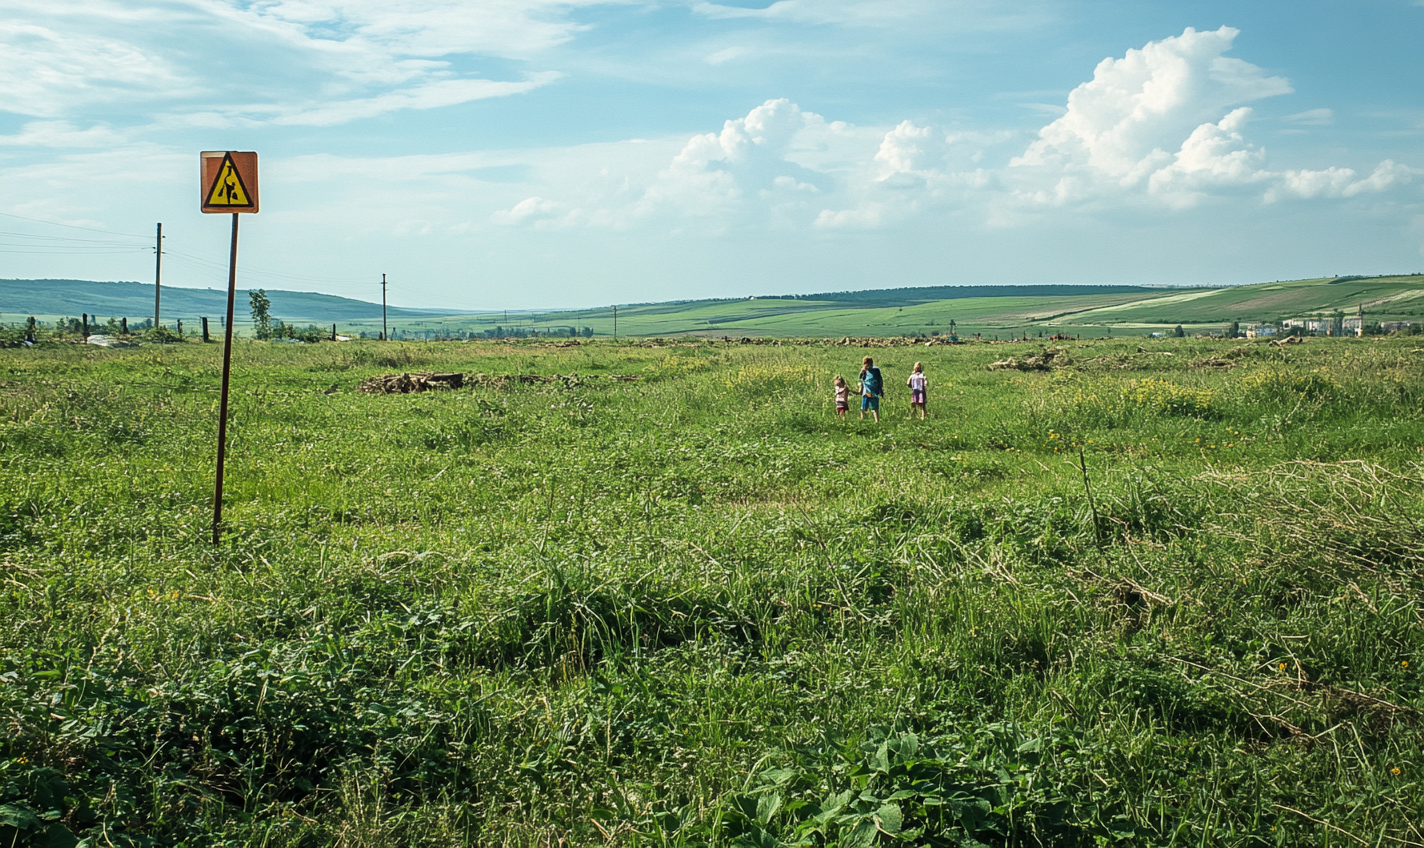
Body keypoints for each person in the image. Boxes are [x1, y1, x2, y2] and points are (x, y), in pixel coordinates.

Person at [858, 356, 883, 422]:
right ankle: (862, 419)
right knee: (864, 405)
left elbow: (879, 380)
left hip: (873, 391)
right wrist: (862, 371)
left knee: (874, 406)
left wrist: (880, 389)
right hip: (866, 390)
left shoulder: (876, 370)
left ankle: (877, 420)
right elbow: (860, 378)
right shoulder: (864, 370)